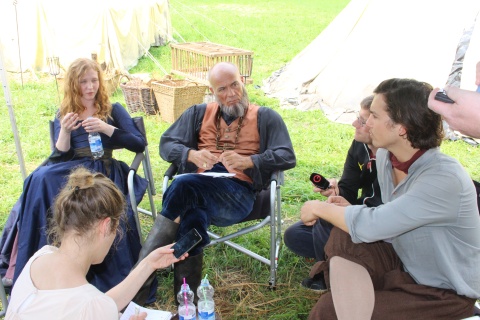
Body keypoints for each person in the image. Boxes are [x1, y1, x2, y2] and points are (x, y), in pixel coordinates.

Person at [301, 78, 480, 319]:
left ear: (401, 127)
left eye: (374, 116)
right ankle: (358, 306)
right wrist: (345, 211)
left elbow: (372, 224)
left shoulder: (444, 178)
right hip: (405, 264)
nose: (366, 124)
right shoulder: (386, 157)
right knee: (343, 234)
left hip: (442, 291)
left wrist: (318, 208)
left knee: (328, 309)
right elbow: (386, 223)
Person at [131, 61, 296, 305]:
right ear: (213, 92)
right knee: (192, 218)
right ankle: (188, 303)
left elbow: (287, 155)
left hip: (237, 195)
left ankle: (137, 284)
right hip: (198, 187)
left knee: (183, 185)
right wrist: (191, 155)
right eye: (222, 89)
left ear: (243, 82)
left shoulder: (265, 116)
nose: (230, 94)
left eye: (234, 85)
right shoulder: (198, 113)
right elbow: (166, 144)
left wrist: (249, 160)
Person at [0, 58, 151, 300]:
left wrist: (105, 128)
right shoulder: (66, 111)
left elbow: (138, 143)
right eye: (84, 82)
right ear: (74, 84)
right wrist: (66, 130)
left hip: (103, 168)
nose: (90, 87)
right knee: (37, 179)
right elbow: (60, 154)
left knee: (42, 179)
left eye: (94, 81)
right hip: (72, 167)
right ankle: (36, 253)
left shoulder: (113, 109)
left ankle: (90, 271)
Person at [5, 167, 185, 319]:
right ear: (106, 226)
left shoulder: (41, 257)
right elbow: (92, 307)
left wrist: (149, 263)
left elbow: (92, 306)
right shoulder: (91, 306)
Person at [283, 95, 381, 291]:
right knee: (294, 235)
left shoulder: (393, 157)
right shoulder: (359, 145)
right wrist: (335, 191)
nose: (355, 123)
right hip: (357, 215)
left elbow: (380, 213)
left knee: (327, 218)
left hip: (377, 225)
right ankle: (342, 257)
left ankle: (325, 272)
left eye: (362, 121)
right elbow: (349, 191)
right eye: (358, 117)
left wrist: (337, 210)